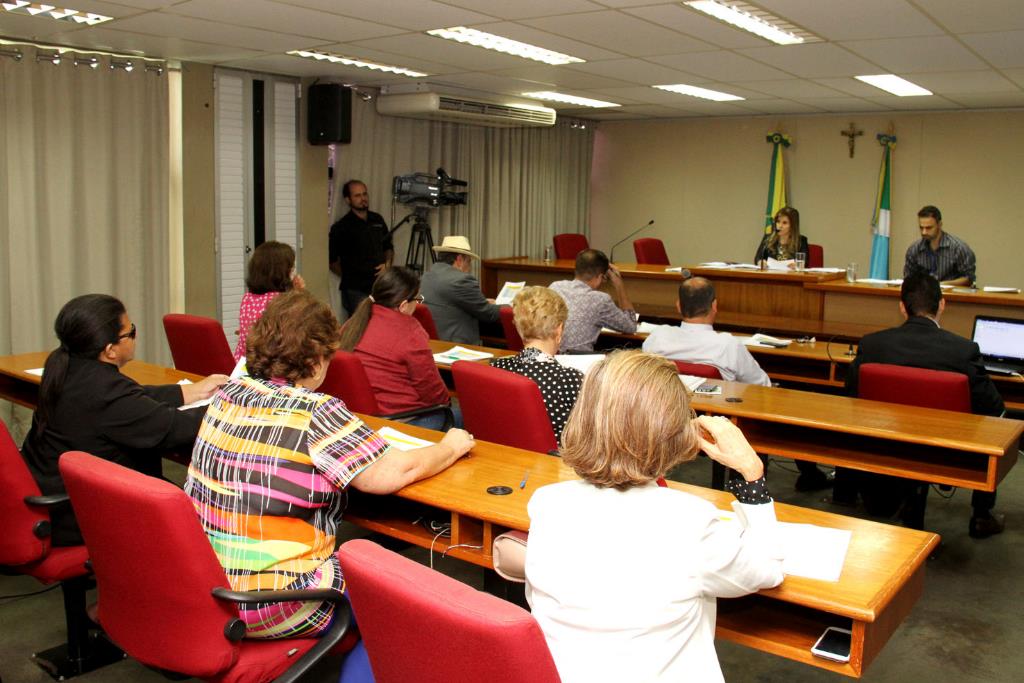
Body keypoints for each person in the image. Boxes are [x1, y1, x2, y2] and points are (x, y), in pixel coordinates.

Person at [185, 290, 475, 639]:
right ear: (315, 360)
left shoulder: (226, 395)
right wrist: (450, 447)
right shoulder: (315, 411)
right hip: (278, 600)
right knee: (398, 590)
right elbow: (393, 472)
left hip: (209, 589)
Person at [525, 350, 783, 682]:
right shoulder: (691, 522)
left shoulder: (547, 503)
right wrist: (752, 474)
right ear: (675, 431)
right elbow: (767, 570)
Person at [20, 294, 227, 546]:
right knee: (203, 509)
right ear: (110, 350)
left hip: (55, 490)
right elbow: (175, 427)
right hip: (79, 512)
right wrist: (232, 405)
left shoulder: (68, 366)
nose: (134, 337)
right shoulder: (104, 391)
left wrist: (191, 391)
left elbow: (133, 397)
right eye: (131, 332)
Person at [844, 271, 1005, 538]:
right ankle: (981, 515)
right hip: (948, 453)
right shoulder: (963, 351)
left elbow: (850, 394)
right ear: (942, 304)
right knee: (993, 429)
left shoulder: (872, 345)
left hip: (882, 444)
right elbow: (994, 409)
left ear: (902, 307)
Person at [339, 266, 455, 430]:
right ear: (403, 306)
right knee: (467, 417)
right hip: (403, 419)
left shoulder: (352, 324)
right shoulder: (409, 332)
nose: (418, 304)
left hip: (359, 418)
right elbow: (434, 393)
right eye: (417, 299)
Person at [491, 287, 584, 445]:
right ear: (559, 330)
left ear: (519, 328)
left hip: (507, 452)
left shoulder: (497, 367)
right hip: (555, 458)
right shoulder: (570, 379)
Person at [642, 277, 770, 386]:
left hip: (668, 405)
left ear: (678, 306)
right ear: (714, 306)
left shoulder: (657, 337)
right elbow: (763, 386)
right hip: (718, 407)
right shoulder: (728, 345)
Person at [549, 249, 637, 353]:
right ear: (600, 276)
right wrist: (619, 284)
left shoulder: (555, 287)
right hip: (579, 360)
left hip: (550, 355)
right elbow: (630, 327)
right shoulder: (601, 300)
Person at [420, 235, 502, 345]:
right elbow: (488, 313)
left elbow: (449, 303)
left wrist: (481, 302)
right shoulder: (461, 280)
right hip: (458, 347)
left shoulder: (425, 276)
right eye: (469, 262)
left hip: (432, 344)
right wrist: (512, 305)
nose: (469, 268)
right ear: (459, 260)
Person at [329, 179, 394, 313]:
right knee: (361, 323)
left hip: (380, 286)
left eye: (364, 194)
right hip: (356, 291)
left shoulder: (377, 219)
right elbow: (332, 261)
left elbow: (388, 247)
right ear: (348, 200)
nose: (363, 198)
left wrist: (387, 264)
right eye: (357, 195)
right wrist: (350, 277)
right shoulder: (341, 227)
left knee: (382, 320)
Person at [234, 240, 304, 361]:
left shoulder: (248, 298)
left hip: (243, 364)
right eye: (291, 270)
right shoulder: (282, 302)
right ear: (281, 273)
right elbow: (300, 332)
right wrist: (299, 294)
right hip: (270, 367)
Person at [903, 205, 976, 286]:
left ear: (939, 224)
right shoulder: (914, 249)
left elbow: (968, 278)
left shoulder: (958, 248)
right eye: (921, 228)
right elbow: (908, 278)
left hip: (950, 292)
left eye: (929, 228)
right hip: (923, 292)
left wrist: (940, 285)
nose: (924, 232)